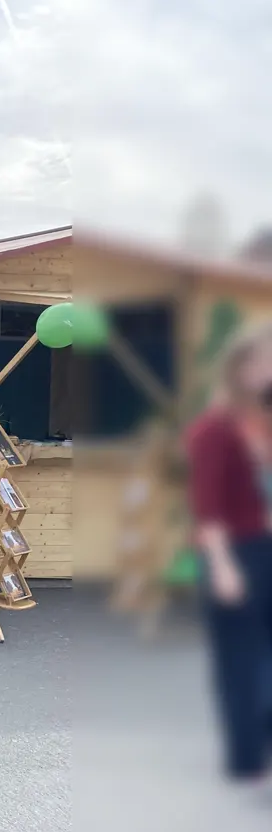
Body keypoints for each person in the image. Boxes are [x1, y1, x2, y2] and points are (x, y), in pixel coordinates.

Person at [186, 321, 272, 786]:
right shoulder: (213, 429)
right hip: (233, 552)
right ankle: (246, 757)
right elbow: (208, 505)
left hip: (264, 548)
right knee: (240, 658)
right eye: (265, 362)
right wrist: (222, 567)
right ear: (241, 368)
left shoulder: (262, 423)